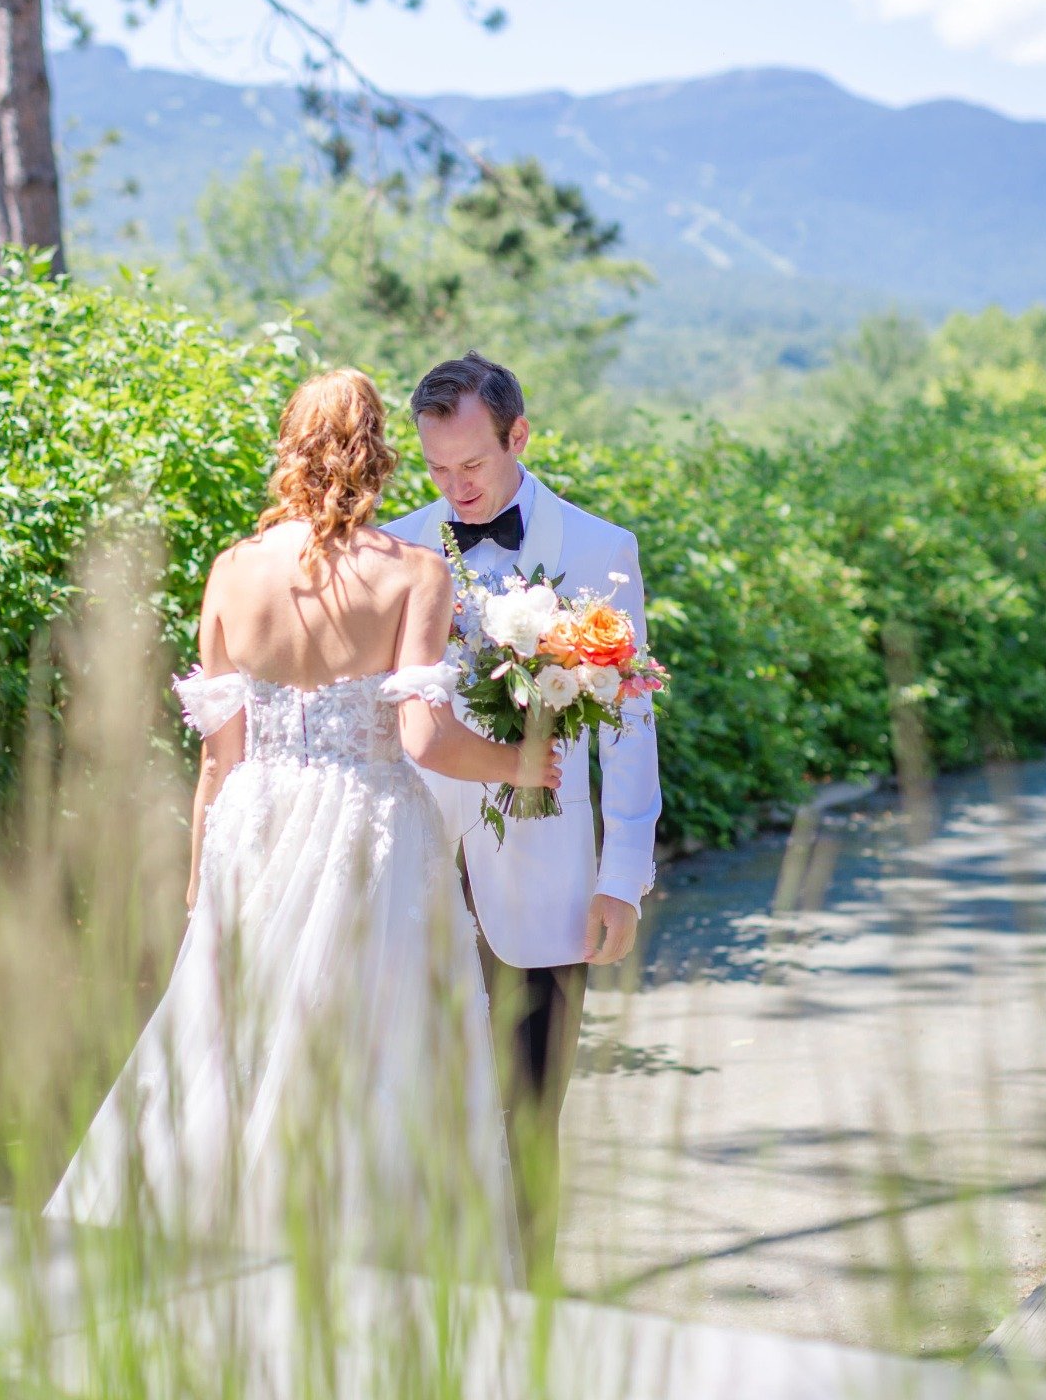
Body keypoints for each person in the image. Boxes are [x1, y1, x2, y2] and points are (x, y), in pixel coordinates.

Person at [44, 369, 560, 1286]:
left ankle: (204, 1260)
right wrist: (521, 762)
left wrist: (202, 878)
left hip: (254, 827)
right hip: (370, 837)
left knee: (227, 1040)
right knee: (369, 1049)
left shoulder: (233, 572)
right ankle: (353, 1280)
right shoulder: (414, 574)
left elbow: (216, 759)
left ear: (289, 450)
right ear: (381, 459)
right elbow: (424, 737)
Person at [387, 352, 661, 1281]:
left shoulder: (598, 547)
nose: (456, 489)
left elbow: (628, 729)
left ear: (519, 437)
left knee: (533, 1110)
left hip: (547, 877)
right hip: (417, 869)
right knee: (423, 1104)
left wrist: (621, 878)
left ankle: (530, 1307)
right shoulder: (399, 547)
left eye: (474, 465)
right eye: (437, 469)